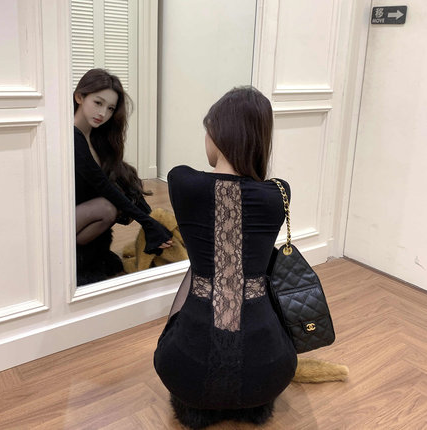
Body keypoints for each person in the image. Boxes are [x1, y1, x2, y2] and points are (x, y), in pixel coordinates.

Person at [154, 86, 297, 429]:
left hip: (186, 371)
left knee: (204, 267)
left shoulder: (181, 182)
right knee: (230, 269)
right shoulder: (279, 192)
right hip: (268, 373)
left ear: (217, 134)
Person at [73, 68, 172, 284]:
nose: (103, 113)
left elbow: (121, 181)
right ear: (79, 97)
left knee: (123, 183)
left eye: (110, 108)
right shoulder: (72, 137)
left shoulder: (97, 139)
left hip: (81, 216)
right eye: (97, 103)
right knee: (108, 207)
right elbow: (103, 186)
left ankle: (93, 256)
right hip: (61, 221)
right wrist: (147, 223)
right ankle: (74, 259)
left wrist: (154, 221)